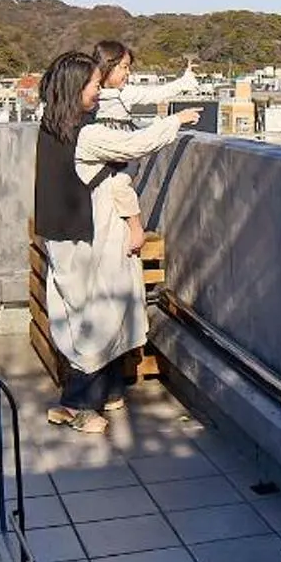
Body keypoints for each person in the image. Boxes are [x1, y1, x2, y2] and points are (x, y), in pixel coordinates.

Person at [34, 50, 198, 432]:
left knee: (96, 312)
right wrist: (175, 120)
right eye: (93, 84)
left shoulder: (52, 124)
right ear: (76, 88)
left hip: (70, 234)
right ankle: (77, 405)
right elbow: (136, 145)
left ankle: (106, 393)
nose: (97, 91)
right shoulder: (86, 134)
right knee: (94, 317)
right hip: (88, 237)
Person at [89, 41, 197, 256]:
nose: (127, 73)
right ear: (107, 65)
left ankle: (134, 230)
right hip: (107, 153)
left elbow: (155, 94)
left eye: (128, 67)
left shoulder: (124, 93)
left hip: (126, 154)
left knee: (119, 186)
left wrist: (183, 82)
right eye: (124, 67)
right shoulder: (93, 93)